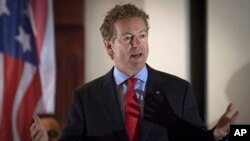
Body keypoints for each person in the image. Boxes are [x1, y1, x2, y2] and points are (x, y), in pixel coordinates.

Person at [30, 3, 239, 141]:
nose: (137, 44)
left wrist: (214, 135)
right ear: (109, 46)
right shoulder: (86, 96)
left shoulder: (179, 89)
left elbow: (194, 138)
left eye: (142, 35)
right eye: (127, 37)